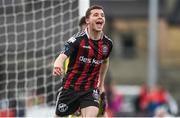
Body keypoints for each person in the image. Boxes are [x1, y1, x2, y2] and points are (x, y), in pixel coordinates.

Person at [53, 5, 113, 117]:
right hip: (70, 89)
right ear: (87, 20)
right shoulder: (77, 40)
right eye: (96, 15)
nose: (100, 17)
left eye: (102, 15)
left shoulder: (107, 44)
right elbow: (62, 56)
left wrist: (101, 83)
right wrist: (57, 65)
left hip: (90, 89)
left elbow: (105, 61)